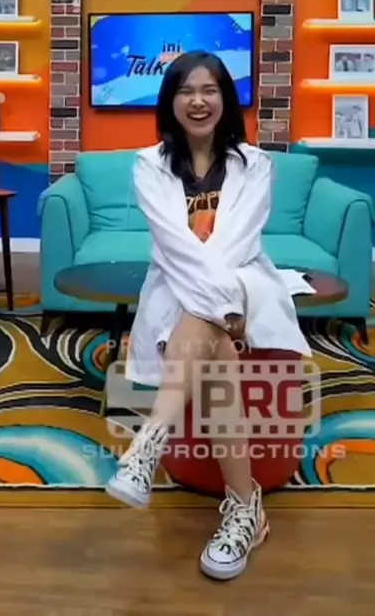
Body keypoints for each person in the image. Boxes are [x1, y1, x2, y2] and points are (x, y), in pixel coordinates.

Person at [105, 51, 312, 581]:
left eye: (209, 90)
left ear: (225, 99)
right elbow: (173, 245)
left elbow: (236, 244)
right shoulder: (148, 165)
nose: (198, 101)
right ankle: (245, 507)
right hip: (183, 285)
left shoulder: (256, 165)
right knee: (213, 338)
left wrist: (221, 301)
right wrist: (221, 309)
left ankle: (149, 441)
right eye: (186, 91)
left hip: (243, 281)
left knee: (203, 313)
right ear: (170, 102)